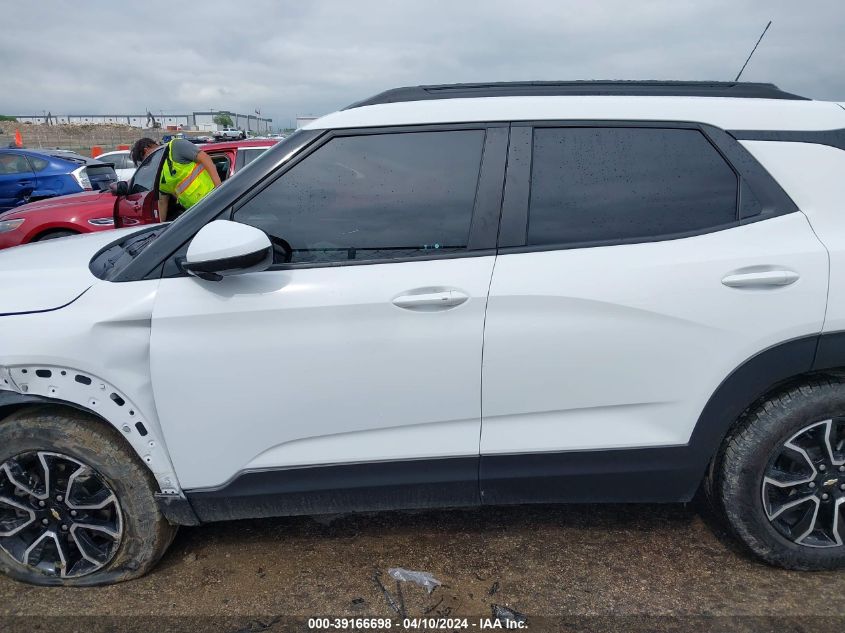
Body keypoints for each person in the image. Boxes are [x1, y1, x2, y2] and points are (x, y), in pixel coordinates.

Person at [129, 137, 222, 221]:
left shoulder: (175, 147)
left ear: (147, 150)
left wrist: (220, 189)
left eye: (147, 160)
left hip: (214, 200)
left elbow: (205, 158)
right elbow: (162, 202)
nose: (149, 165)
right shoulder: (160, 175)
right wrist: (162, 226)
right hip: (196, 212)